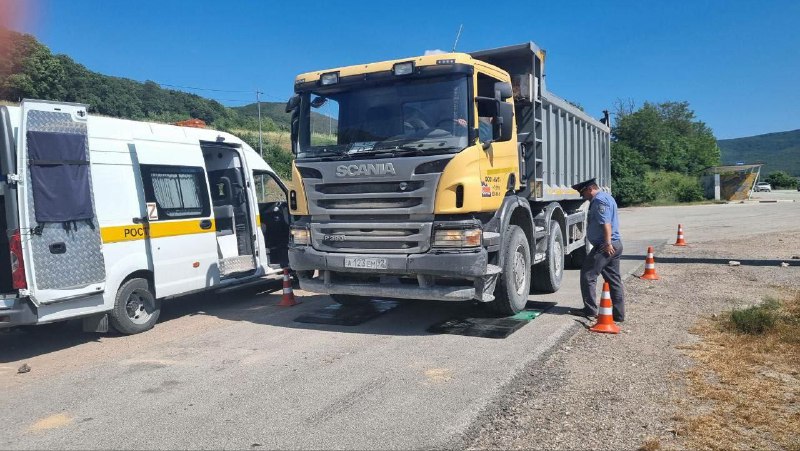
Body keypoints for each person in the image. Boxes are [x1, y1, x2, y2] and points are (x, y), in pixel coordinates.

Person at [568, 178, 625, 322]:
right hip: (615, 244)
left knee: (588, 275)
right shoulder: (607, 197)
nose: (583, 197)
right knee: (614, 280)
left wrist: (607, 243)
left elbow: (606, 224)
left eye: (583, 193)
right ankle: (619, 315)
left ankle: (590, 310)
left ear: (590, 188)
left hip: (605, 246)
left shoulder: (599, 201)